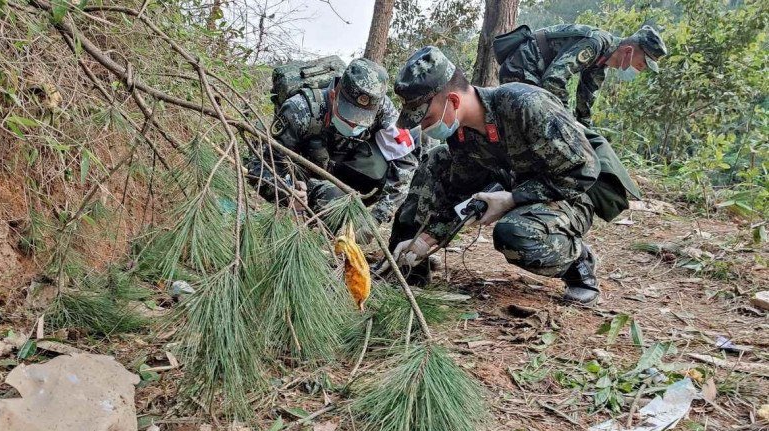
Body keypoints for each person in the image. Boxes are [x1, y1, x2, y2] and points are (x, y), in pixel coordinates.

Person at [385, 46, 641, 306]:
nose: (425, 127)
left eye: (426, 118)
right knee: (437, 158)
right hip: (519, 185)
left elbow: (583, 171)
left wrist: (512, 199)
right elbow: (461, 195)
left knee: (514, 234)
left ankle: (579, 265)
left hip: (573, 192)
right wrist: (426, 240)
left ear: (453, 101)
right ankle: (406, 265)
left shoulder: (526, 104)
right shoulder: (461, 136)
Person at [248, 58, 417, 240]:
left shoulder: (384, 110)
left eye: (361, 120)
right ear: (332, 96)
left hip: (349, 173)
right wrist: (287, 193)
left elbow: (406, 165)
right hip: (307, 180)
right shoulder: (300, 110)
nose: (353, 124)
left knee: (395, 172)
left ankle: (349, 221)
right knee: (332, 196)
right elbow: (259, 167)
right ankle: (314, 232)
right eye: (348, 117)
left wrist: (375, 219)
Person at [494, 24, 667, 126]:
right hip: (522, 68)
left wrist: (586, 133)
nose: (640, 69)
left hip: (535, 76)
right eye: (641, 64)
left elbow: (585, 103)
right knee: (533, 127)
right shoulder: (596, 43)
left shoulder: (601, 64)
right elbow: (553, 80)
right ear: (628, 51)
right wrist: (568, 121)